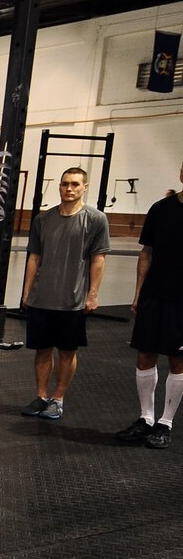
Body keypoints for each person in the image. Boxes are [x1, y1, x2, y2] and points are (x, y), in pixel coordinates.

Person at [19, 167, 110, 420]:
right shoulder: (43, 219)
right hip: (42, 298)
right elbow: (34, 257)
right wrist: (27, 292)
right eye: (64, 184)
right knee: (42, 350)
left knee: (67, 352)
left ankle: (58, 398)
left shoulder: (95, 219)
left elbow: (98, 259)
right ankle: (40, 396)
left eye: (74, 184)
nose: (68, 189)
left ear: (85, 187)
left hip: (73, 300)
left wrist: (92, 294)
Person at [115, 161, 183, 449]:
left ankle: (165, 423)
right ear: (181, 173)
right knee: (145, 355)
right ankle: (145, 418)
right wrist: (138, 293)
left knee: (178, 361)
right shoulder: (161, 209)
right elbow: (146, 253)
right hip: (154, 295)